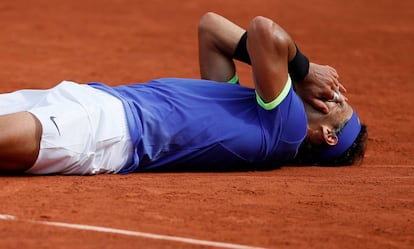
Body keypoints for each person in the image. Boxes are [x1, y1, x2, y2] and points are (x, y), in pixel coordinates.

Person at [0, 12, 367, 175]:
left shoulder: (285, 132)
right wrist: (293, 71)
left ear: (326, 134)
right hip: (93, 100)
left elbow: (265, 32)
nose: (333, 93)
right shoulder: (249, 112)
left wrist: (303, 71)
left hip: (106, 132)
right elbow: (211, 29)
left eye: (338, 103)